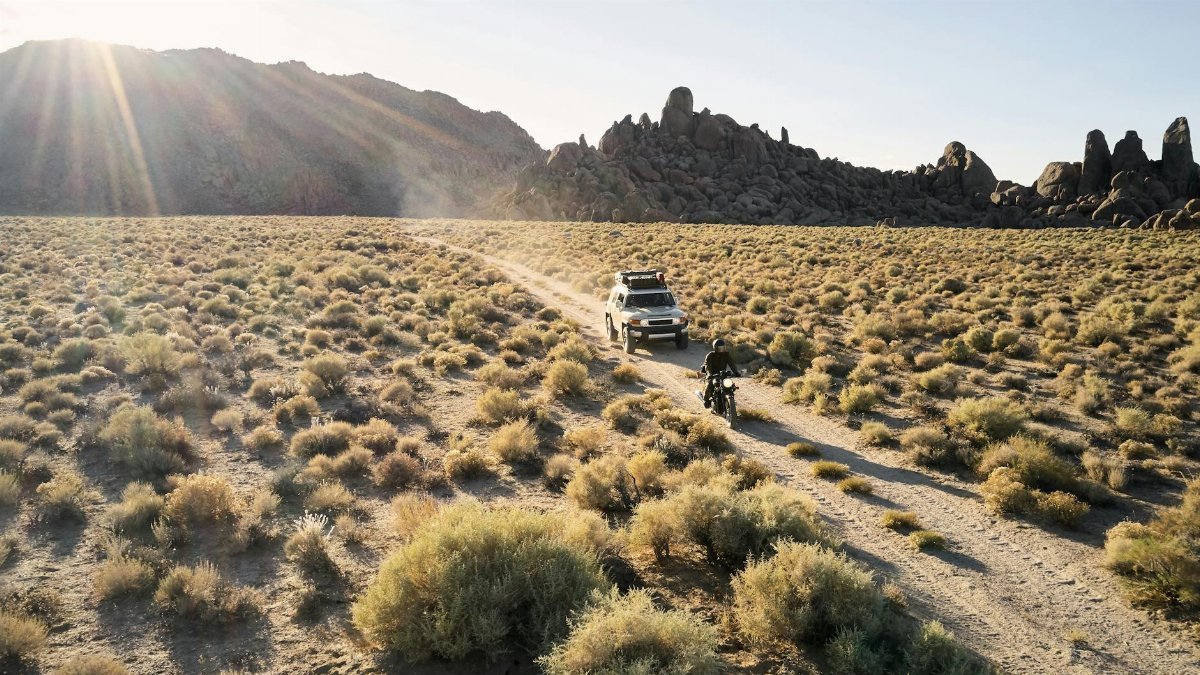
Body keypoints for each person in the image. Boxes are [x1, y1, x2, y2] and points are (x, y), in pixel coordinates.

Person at [701, 338, 740, 408]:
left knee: (731, 386)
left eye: (722, 347)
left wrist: (736, 372)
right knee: (709, 385)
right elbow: (707, 365)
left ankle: (730, 400)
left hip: (722, 374)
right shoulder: (710, 355)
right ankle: (706, 400)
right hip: (712, 375)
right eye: (719, 348)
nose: (721, 349)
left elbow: (731, 364)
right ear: (715, 348)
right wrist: (709, 374)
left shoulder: (726, 355)